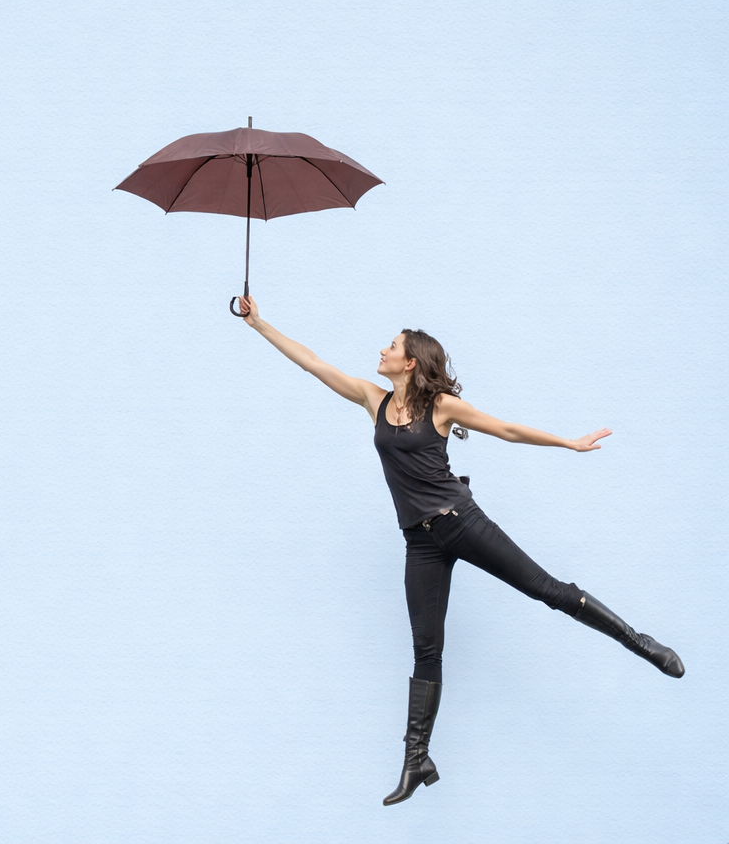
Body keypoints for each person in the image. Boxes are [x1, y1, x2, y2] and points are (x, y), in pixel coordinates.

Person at [235, 296, 683, 806]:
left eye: (392, 345)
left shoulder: (440, 407)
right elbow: (314, 363)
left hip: (461, 523)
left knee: (549, 591)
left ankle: (640, 641)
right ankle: (416, 759)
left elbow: (507, 429)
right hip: (420, 543)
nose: (381, 350)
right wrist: (258, 323)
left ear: (411, 362)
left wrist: (569, 443)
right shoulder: (372, 399)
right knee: (427, 649)